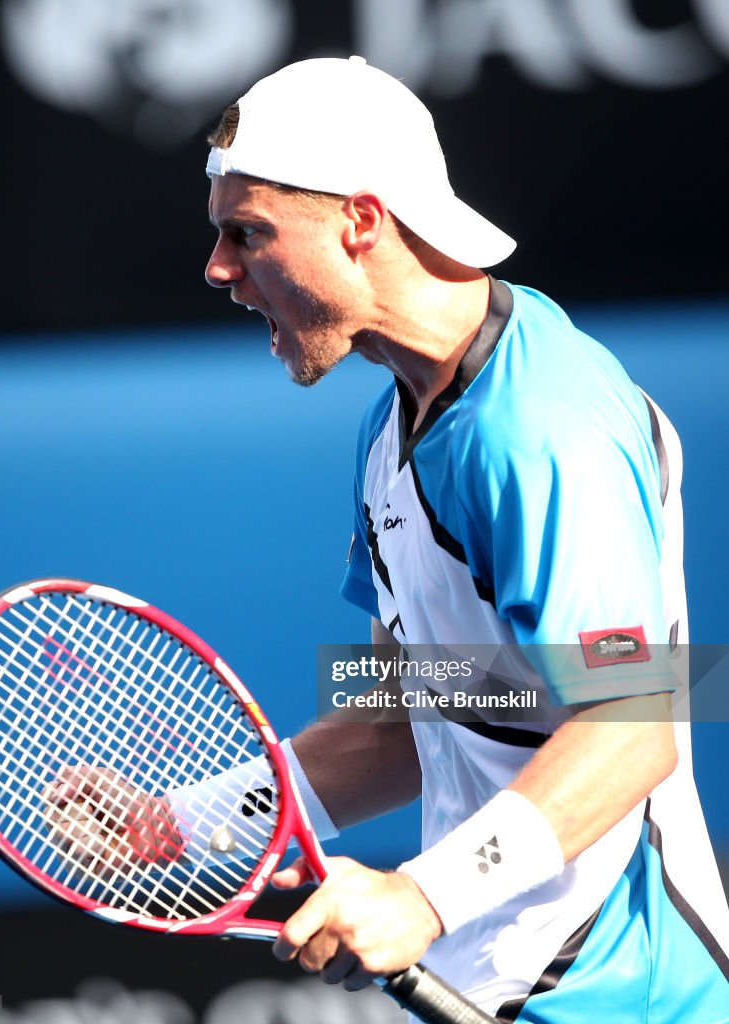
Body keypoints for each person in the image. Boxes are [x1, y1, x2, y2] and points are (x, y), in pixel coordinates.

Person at [198, 55, 729, 1021]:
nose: (219, 269)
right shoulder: (397, 418)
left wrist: (418, 896)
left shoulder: (542, 431)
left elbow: (632, 723)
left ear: (361, 220)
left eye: (248, 234)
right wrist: (186, 825)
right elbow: (400, 714)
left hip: (616, 997)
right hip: (488, 985)